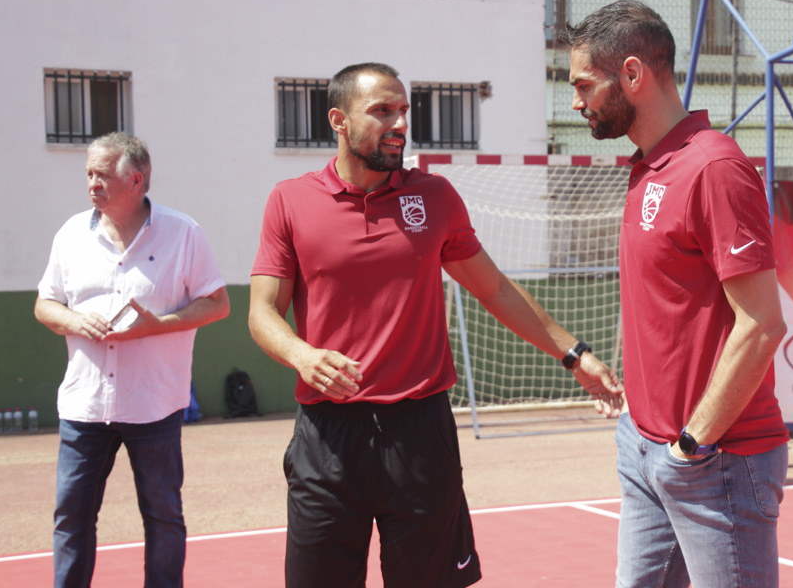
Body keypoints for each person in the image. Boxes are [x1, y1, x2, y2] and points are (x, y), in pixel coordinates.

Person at [247, 62, 622, 588]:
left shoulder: (435, 196)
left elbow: (492, 288)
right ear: (338, 119)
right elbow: (262, 312)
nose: (399, 123)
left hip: (420, 435)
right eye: (381, 111)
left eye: (404, 110)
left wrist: (573, 353)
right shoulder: (289, 201)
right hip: (328, 438)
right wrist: (303, 356)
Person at [563, 1, 789, 587]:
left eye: (584, 85)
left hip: (715, 460)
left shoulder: (714, 167)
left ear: (632, 75)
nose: (575, 101)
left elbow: (762, 323)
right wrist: (640, 408)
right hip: (643, 444)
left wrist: (692, 443)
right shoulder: (648, 168)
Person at [35, 132, 231, 587]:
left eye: (102, 174)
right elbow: (45, 305)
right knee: (71, 517)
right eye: (88, 174)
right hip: (84, 407)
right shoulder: (70, 235)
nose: (91, 183)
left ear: (137, 179)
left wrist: (158, 325)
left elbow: (218, 304)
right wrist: (72, 320)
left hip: (153, 404)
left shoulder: (184, 233)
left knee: (164, 517)